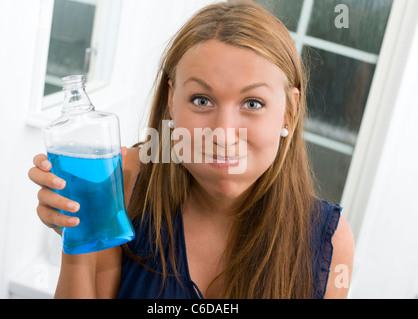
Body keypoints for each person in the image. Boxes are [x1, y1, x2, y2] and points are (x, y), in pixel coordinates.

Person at [28, 0, 354, 299]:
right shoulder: (124, 182)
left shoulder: (331, 243)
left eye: (252, 103)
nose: (223, 135)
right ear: (172, 100)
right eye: (202, 100)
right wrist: (81, 237)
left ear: (289, 111)